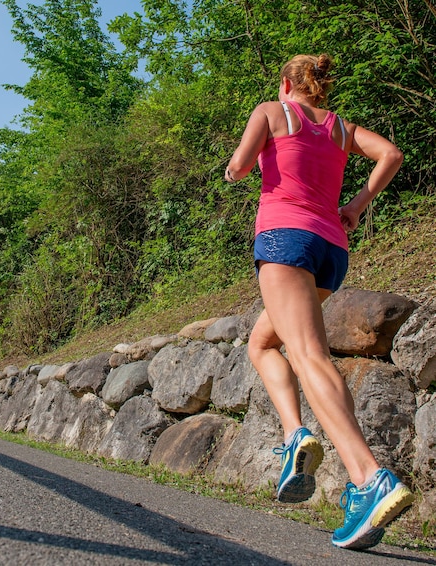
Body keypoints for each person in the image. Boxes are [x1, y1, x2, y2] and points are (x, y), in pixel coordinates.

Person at [225, 53, 414, 550]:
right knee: (263, 343)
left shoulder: (271, 111)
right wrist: (354, 205)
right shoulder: (340, 128)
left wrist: (233, 169)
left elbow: (241, 167)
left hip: (285, 238)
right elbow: (391, 154)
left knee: (309, 354)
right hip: (330, 248)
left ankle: (370, 477)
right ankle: (297, 438)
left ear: (288, 83)